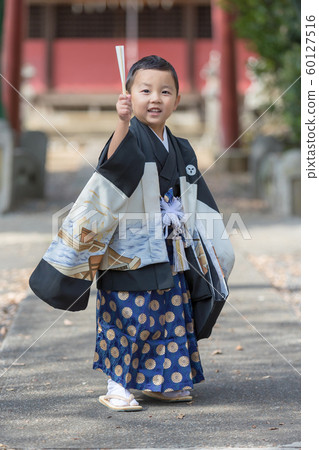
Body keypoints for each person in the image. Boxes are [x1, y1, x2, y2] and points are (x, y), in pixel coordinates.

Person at [29, 55, 235, 412]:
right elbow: (111, 165)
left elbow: (199, 199)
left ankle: (163, 383)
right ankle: (118, 384)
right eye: (145, 90)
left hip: (173, 248)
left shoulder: (183, 147)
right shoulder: (129, 137)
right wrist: (122, 123)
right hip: (130, 246)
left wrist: (215, 244)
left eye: (165, 91)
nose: (155, 98)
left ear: (177, 100)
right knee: (128, 313)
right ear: (128, 96)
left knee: (170, 313)